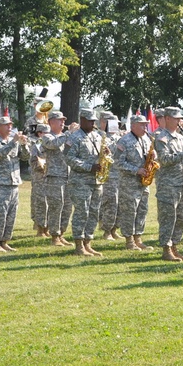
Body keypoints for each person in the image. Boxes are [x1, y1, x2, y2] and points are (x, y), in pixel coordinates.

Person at [155, 107, 183, 262]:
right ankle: (166, 249)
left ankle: (175, 247)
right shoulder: (161, 138)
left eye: (180, 118)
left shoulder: (180, 138)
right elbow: (164, 160)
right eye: (176, 118)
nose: (179, 121)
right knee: (168, 217)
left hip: (182, 183)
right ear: (167, 118)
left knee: (180, 217)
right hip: (168, 185)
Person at [65, 108, 106, 257]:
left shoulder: (97, 136)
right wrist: (89, 167)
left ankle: (88, 242)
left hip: (96, 181)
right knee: (82, 212)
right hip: (80, 181)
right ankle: (78, 244)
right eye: (89, 120)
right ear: (82, 120)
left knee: (94, 212)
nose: (92, 123)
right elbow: (69, 158)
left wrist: (106, 154)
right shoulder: (74, 138)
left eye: (94, 121)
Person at [0, 116, 26, 252]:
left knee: (11, 214)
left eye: (10, 125)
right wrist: (13, 143)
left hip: (13, 183)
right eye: (6, 125)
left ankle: (5, 241)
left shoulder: (12, 141)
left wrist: (24, 144)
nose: (10, 127)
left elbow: (25, 157)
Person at [115, 114, 153, 251]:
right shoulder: (124, 141)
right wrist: (136, 170)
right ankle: (129, 240)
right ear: (133, 126)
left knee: (142, 210)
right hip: (129, 182)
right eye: (142, 125)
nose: (145, 127)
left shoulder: (147, 139)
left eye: (146, 124)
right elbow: (118, 162)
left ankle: (138, 238)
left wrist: (153, 158)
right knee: (130, 211)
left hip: (143, 182)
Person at [41, 111, 73, 246]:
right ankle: (54, 235)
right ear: (51, 122)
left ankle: (61, 234)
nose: (63, 123)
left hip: (68, 175)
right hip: (54, 176)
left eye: (64, 121)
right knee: (56, 206)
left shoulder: (66, 137)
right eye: (60, 120)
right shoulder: (47, 136)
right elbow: (52, 145)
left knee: (67, 206)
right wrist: (68, 134)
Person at [98, 112, 123, 241]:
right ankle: (107, 230)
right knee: (110, 203)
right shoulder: (101, 137)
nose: (115, 125)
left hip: (120, 175)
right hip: (109, 176)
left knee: (119, 204)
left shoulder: (119, 137)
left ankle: (114, 229)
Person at [28, 123, 49, 236]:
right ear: (40, 133)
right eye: (45, 132)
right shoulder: (36, 145)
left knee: (50, 203)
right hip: (39, 177)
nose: (48, 135)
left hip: (50, 177)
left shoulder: (50, 144)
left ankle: (47, 228)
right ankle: (40, 227)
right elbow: (33, 161)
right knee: (41, 202)